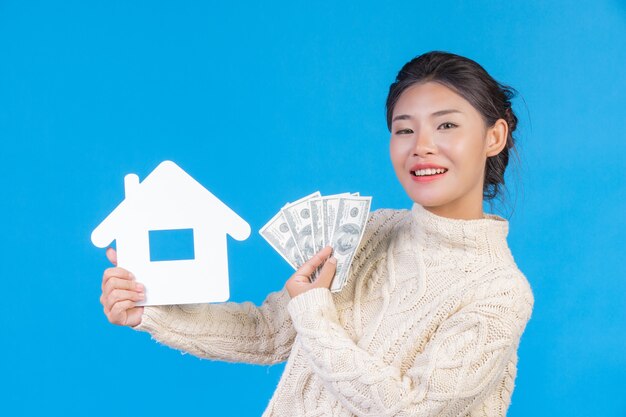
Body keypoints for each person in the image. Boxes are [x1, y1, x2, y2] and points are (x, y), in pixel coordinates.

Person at [100, 50, 534, 416]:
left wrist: (314, 312)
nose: (421, 145)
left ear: (494, 136)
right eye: (404, 129)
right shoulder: (370, 231)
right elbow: (268, 332)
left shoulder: (498, 292)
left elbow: (408, 408)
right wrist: (149, 311)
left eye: (446, 125)